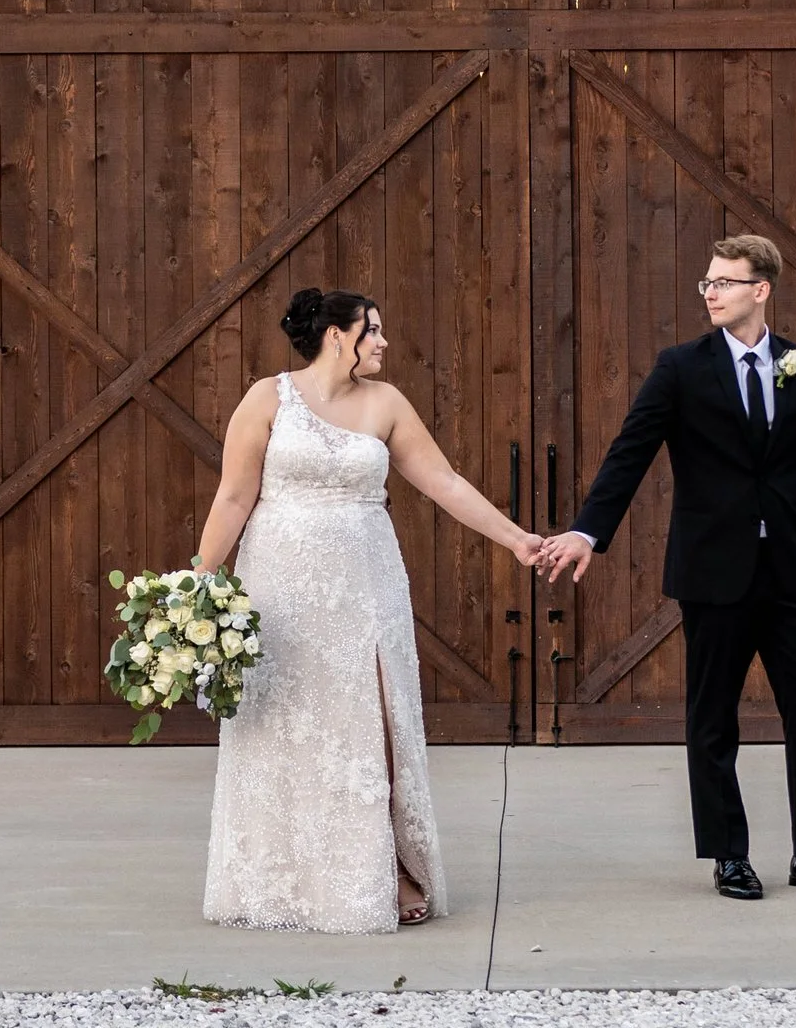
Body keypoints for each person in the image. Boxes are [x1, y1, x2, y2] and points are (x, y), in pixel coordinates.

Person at [537, 235, 796, 902]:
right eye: (707, 282)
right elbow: (630, 452)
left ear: (762, 289)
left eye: (726, 281)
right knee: (713, 721)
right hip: (714, 575)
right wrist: (589, 531)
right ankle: (730, 856)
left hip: (795, 574)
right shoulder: (681, 368)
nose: (711, 292)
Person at [195, 288, 545, 933]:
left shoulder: (386, 403)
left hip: (365, 583)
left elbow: (444, 482)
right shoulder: (266, 399)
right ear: (336, 334)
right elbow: (235, 494)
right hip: (281, 583)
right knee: (286, 724)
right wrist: (198, 584)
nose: (383, 342)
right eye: (373, 331)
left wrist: (516, 539)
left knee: (374, 718)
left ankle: (389, 865)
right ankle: (286, 876)